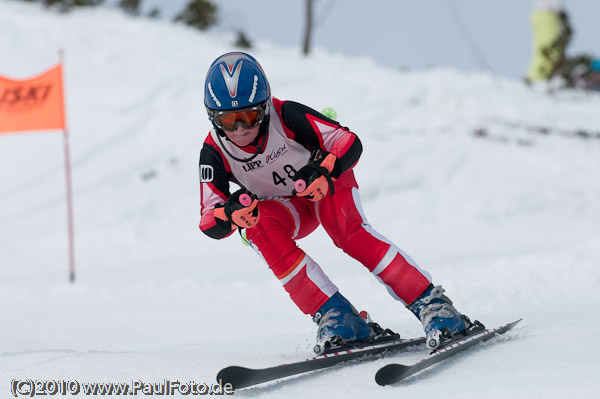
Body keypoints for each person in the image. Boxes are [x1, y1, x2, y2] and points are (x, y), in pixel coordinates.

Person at [199, 52, 479, 352]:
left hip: (322, 187)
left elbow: (348, 141)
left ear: (266, 107)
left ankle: (434, 305)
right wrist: (230, 214)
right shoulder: (213, 152)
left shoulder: (287, 115)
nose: (240, 130)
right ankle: (338, 316)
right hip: (287, 208)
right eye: (228, 120)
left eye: (249, 116)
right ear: (213, 117)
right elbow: (208, 220)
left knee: (347, 232)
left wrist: (325, 169)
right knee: (257, 228)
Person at [526, 0, 572, 83]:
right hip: (547, 14)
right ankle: (537, 78)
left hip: (547, 14)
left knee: (548, 49)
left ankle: (538, 77)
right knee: (550, 50)